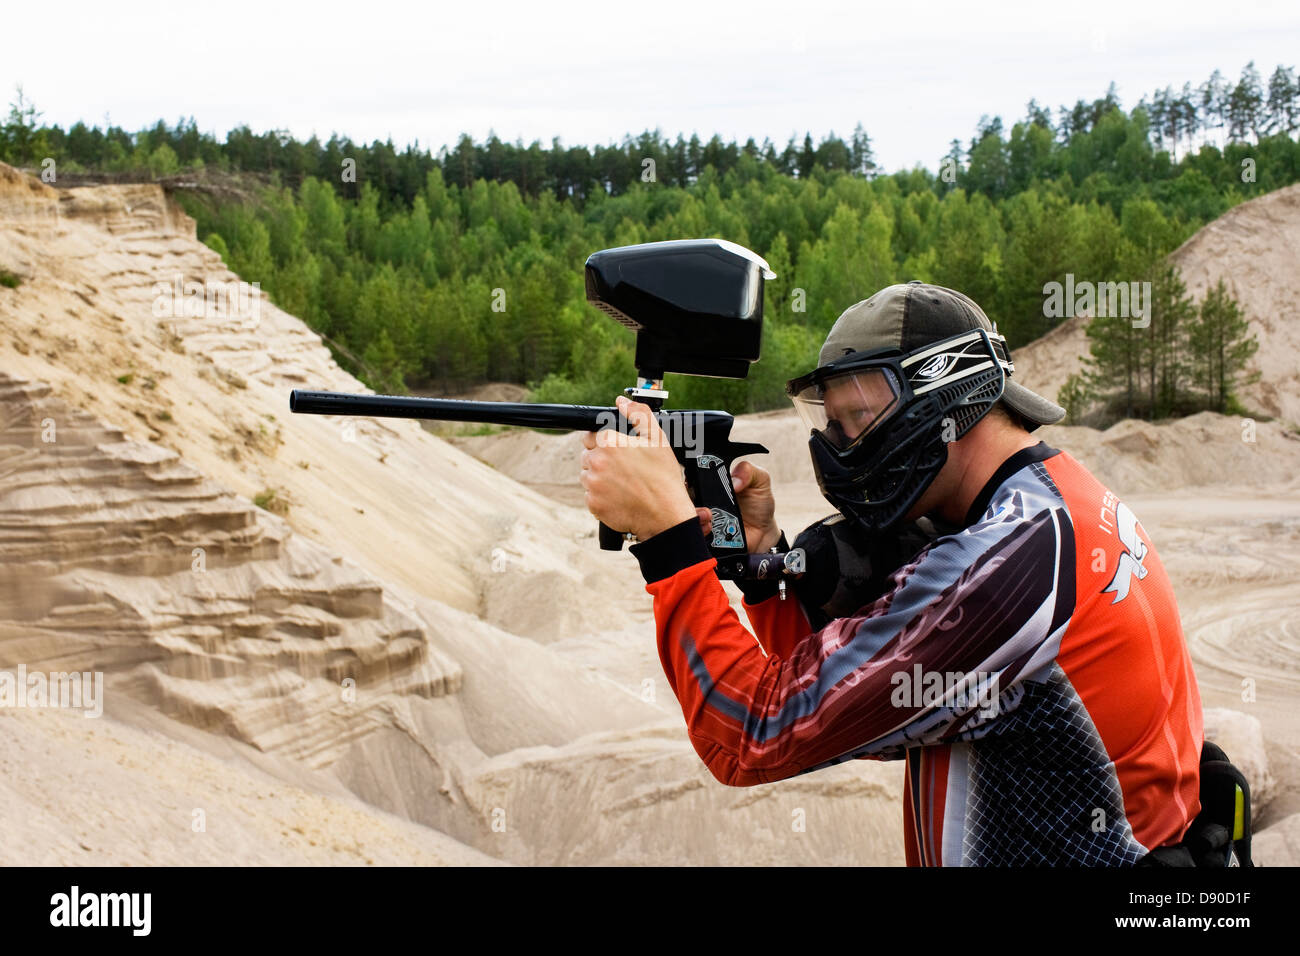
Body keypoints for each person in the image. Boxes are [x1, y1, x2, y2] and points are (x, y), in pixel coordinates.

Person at [580, 280, 1206, 866]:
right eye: (832, 422)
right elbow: (851, 703)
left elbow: (752, 734)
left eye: (858, 421)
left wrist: (668, 545)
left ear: (948, 400)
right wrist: (766, 568)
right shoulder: (1053, 503)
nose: (841, 446)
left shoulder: (1004, 561)